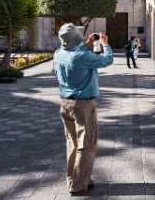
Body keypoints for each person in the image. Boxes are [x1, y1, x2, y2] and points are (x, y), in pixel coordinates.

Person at [53, 23, 113, 196]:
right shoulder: (82, 56)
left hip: (66, 103)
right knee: (86, 144)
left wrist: (86, 44)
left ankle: (76, 179)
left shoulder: (58, 54)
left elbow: (75, 55)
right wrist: (105, 44)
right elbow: (107, 60)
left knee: (72, 144)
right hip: (82, 105)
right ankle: (78, 185)